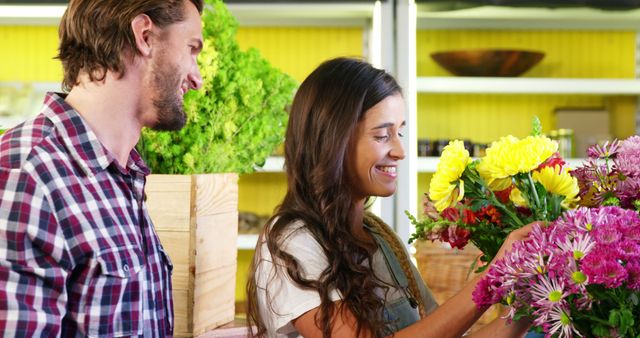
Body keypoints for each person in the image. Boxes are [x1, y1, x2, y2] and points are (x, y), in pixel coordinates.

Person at [246, 57, 534, 338]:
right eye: (383, 136)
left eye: (400, 133)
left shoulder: (381, 238)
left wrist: (529, 307)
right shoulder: (292, 242)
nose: (400, 151)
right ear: (333, 141)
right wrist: (492, 276)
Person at [0, 0, 203, 336]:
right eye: (191, 48)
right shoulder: (26, 175)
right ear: (144, 36)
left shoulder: (122, 175)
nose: (196, 79)